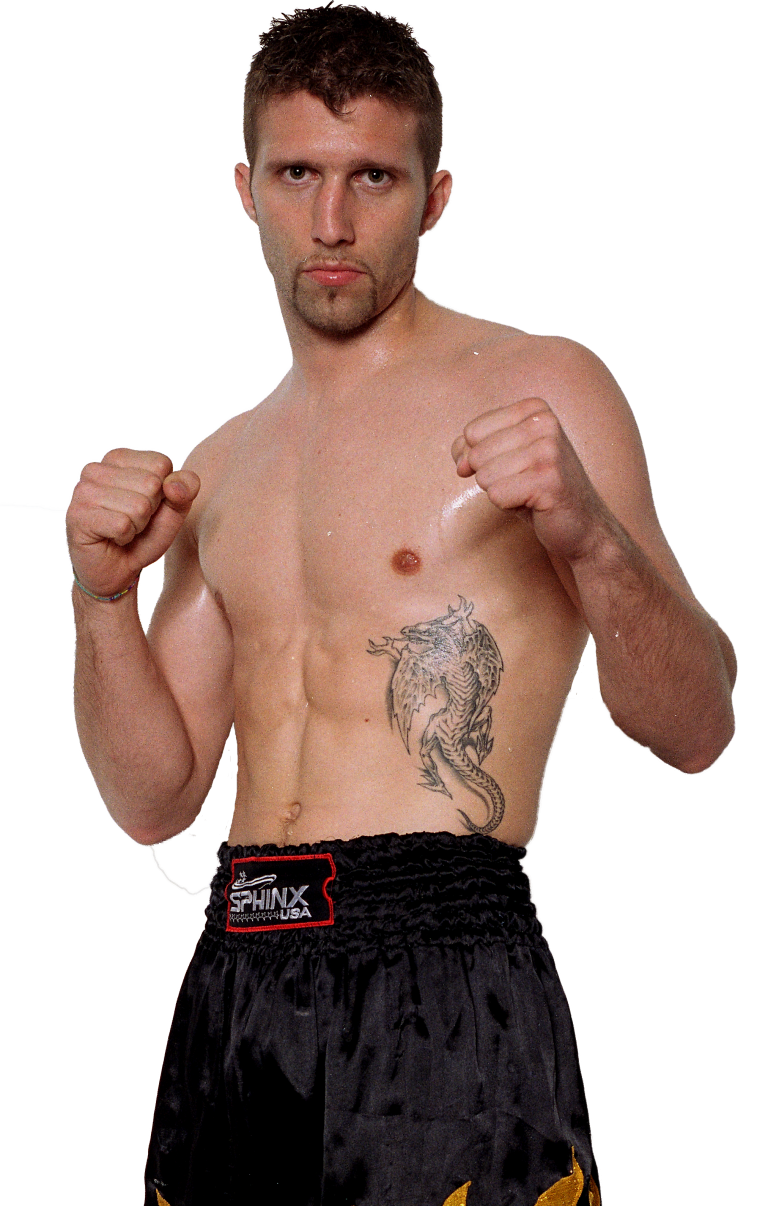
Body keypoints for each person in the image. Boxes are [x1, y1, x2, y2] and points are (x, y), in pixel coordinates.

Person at [64, 5, 738, 1204]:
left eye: (372, 176)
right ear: (246, 190)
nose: (331, 222)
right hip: (236, 973)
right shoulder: (221, 462)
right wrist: (102, 596)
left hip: (443, 972)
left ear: (434, 197)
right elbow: (153, 801)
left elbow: (697, 729)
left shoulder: (542, 385)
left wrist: (588, 536)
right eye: (298, 175)